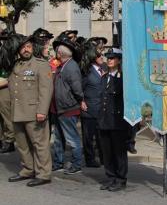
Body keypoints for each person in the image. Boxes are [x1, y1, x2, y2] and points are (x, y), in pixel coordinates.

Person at [8, 35, 53, 187]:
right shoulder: (16, 65)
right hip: (17, 111)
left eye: (28, 47)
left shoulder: (41, 64)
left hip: (34, 112)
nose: (26, 50)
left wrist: (42, 111)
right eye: (23, 47)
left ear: (33, 48)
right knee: (22, 144)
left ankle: (43, 173)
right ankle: (28, 169)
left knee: (39, 144)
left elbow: (46, 90)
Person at [98, 48, 130, 192]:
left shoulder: (123, 79)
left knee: (119, 152)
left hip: (117, 122)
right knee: (107, 152)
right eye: (108, 58)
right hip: (105, 120)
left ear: (119, 60)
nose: (109, 60)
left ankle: (121, 179)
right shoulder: (104, 78)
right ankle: (110, 177)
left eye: (113, 58)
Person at [51, 36, 85, 174]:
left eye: (57, 52)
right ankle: (58, 162)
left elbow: (77, 88)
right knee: (58, 138)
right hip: (59, 109)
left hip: (68, 109)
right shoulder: (63, 65)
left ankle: (76, 164)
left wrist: (80, 99)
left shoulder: (71, 67)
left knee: (72, 139)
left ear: (60, 54)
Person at [80, 43, 105, 167]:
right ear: (93, 57)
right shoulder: (87, 72)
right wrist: (81, 101)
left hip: (101, 109)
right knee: (88, 137)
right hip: (89, 109)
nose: (102, 57)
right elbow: (79, 88)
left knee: (101, 137)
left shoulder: (104, 69)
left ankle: (103, 158)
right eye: (99, 55)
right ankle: (89, 160)